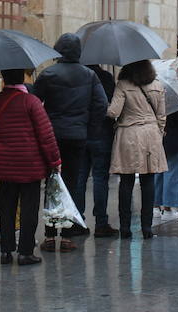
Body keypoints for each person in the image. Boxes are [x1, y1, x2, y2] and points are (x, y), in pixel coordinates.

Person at [33, 33, 108, 252]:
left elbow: (35, 104)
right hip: (77, 136)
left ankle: (49, 234)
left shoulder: (48, 74)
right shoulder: (89, 75)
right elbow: (101, 104)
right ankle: (67, 235)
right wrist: (89, 128)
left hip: (52, 136)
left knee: (52, 183)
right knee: (72, 183)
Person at [0, 68, 61, 266]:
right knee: (29, 209)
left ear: (3, 78)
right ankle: (25, 252)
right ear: (23, 78)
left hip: (4, 164)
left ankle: (6, 251)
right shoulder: (32, 101)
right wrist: (55, 161)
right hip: (30, 165)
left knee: (6, 208)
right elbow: (46, 135)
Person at [107, 59, 168, 239]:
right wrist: (158, 134)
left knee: (126, 182)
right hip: (151, 135)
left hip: (129, 134)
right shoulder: (157, 85)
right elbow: (162, 116)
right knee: (148, 181)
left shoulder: (123, 85)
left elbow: (113, 112)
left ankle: (125, 227)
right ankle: (147, 228)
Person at [75, 64, 119, 237]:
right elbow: (111, 106)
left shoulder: (77, 77)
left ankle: (78, 221)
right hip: (101, 133)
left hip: (80, 132)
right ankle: (101, 222)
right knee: (100, 178)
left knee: (80, 177)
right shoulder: (106, 77)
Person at [154, 106, 178, 223]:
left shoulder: (151, 98)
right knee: (172, 175)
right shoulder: (176, 106)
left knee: (157, 174)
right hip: (173, 143)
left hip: (156, 141)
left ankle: (155, 207)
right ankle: (168, 209)